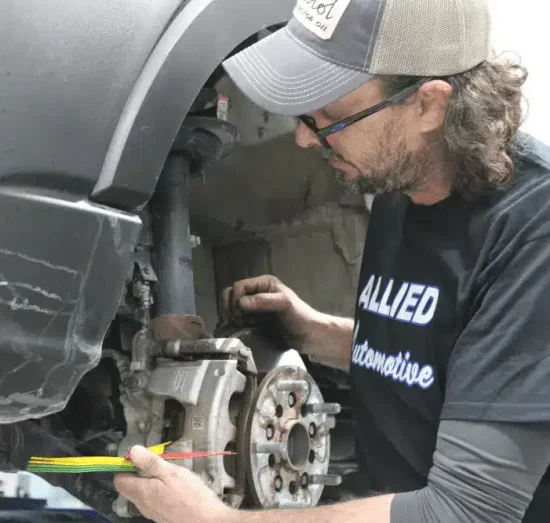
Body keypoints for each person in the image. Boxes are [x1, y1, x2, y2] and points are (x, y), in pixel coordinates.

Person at [114, 0, 550, 521]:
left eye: (329, 117)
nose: (302, 136)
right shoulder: (400, 180)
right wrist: (319, 333)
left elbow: (467, 511)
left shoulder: (532, 233)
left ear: (429, 107)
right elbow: (448, 357)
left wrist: (216, 521)